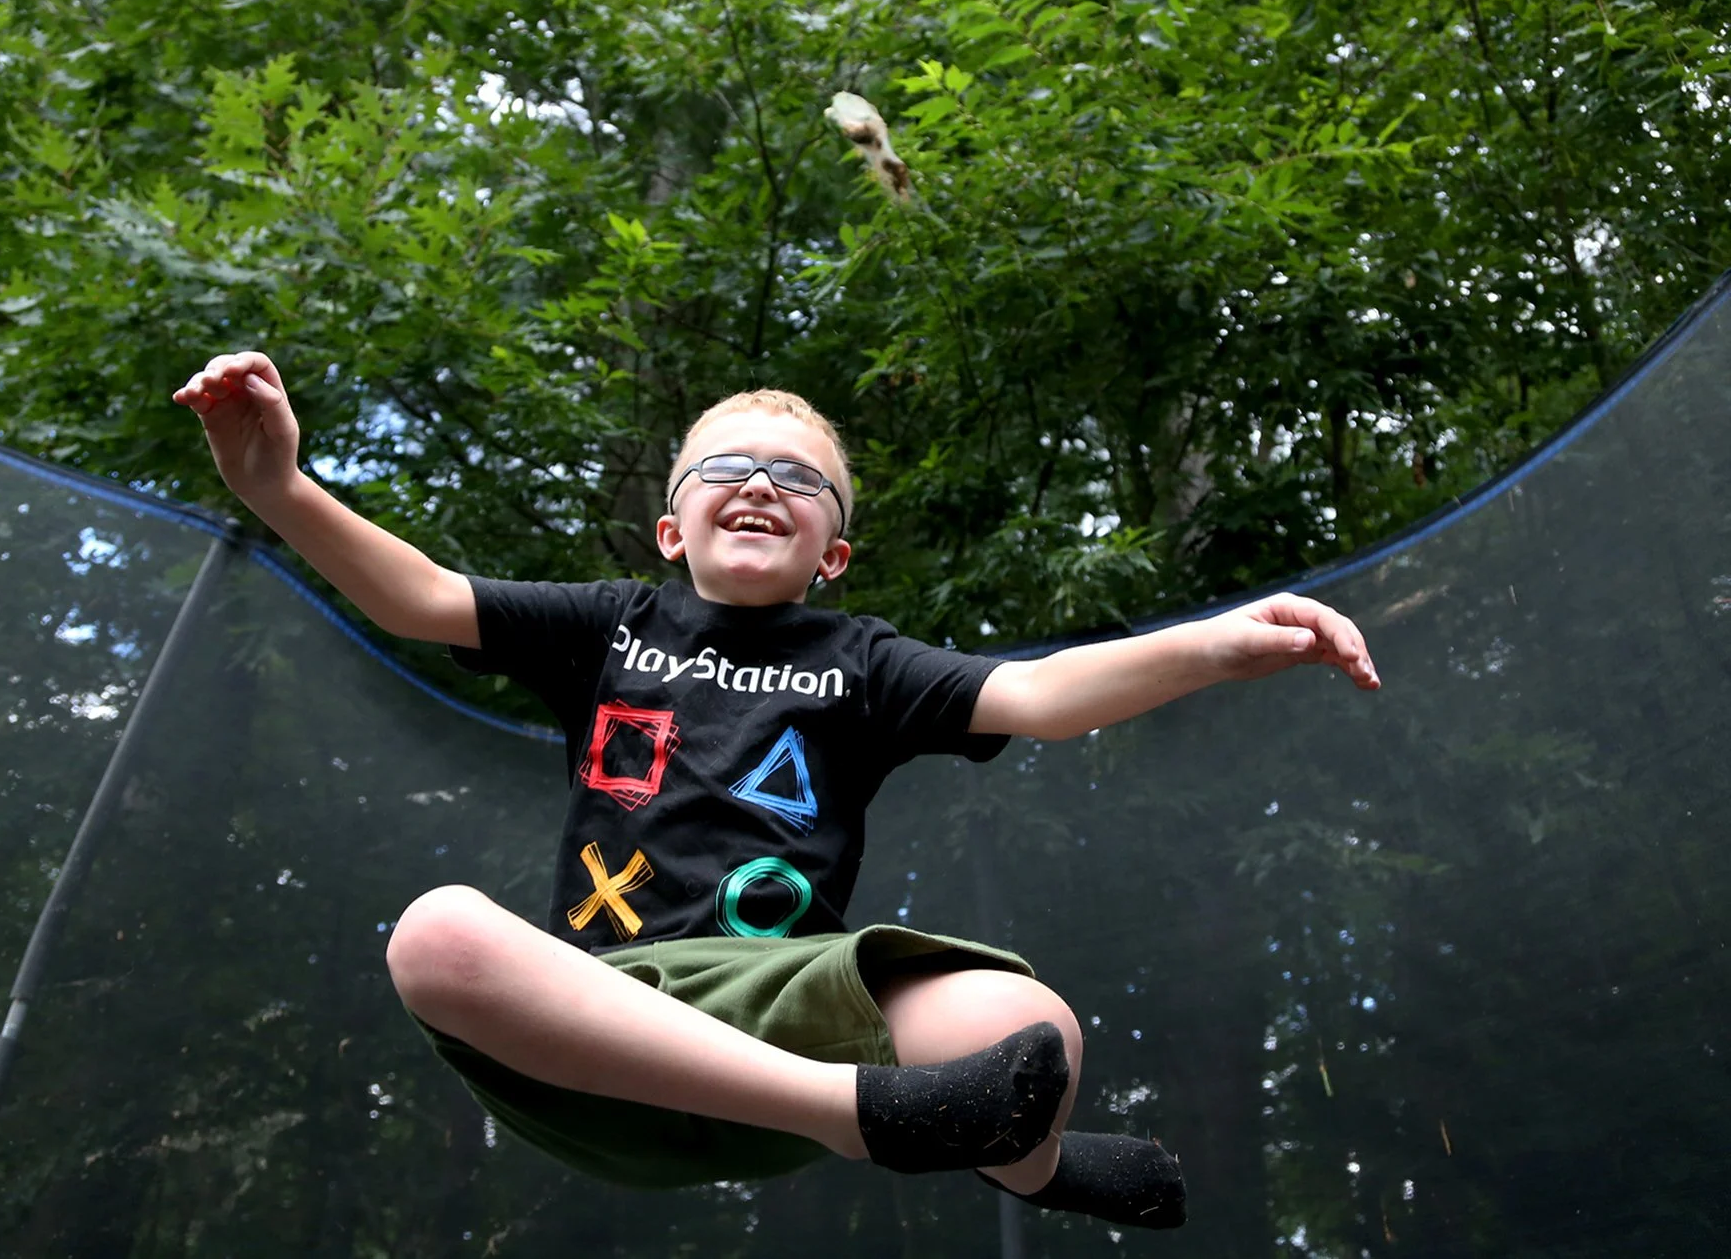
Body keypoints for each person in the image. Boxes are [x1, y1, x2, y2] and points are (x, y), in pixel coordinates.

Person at [174, 353, 1381, 1226]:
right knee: (434, 932)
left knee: (1033, 1032)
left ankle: (1022, 1159)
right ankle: (866, 1114)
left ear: (833, 550)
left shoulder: (863, 661)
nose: (761, 484)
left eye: (799, 480)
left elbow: (1045, 691)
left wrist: (1221, 639)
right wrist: (278, 486)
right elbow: (422, 596)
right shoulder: (611, 626)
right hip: (609, 1016)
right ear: (667, 525)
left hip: (774, 999)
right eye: (728, 468)